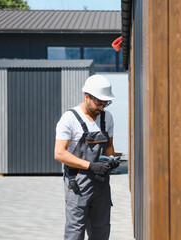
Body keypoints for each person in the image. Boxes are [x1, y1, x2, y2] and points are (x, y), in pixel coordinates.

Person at [54, 74, 120, 240]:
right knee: (75, 232)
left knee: (101, 231)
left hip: (102, 185)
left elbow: (109, 147)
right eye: (99, 103)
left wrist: (111, 159)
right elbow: (59, 153)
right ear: (87, 96)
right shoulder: (69, 119)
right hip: (78, 184)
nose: (102, 108)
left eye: (106, 103)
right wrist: (90, 166)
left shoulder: (107, 118)